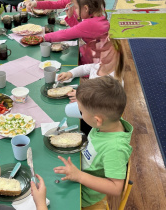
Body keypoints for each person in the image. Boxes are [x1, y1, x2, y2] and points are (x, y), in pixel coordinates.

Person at [54, 76, 133, 209]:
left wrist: (79, 176)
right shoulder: (106, 125)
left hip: (85, 196)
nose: (80, 114)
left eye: (81, 111)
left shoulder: (115, 149)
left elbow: (115, 188)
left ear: (97, 120)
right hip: (80, 171)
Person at [26, 0, 110, 65]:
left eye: (76, 8)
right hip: (99, 60)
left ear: (86, 8)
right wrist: (70, 17)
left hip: (92, 65)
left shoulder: (89, 23)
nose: (75, 11)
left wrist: (43, 37)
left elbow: (65, 34)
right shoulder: (100, 18)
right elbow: (80, 30)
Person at [58, 38, 125, 103]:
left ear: (118, 58)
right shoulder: (98, 66)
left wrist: (83, 97)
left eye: (109, 54)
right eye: (102, 51)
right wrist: (70, 73)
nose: (103, 55)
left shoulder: (115, 82)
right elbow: (84, 69)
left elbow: (102, 102)